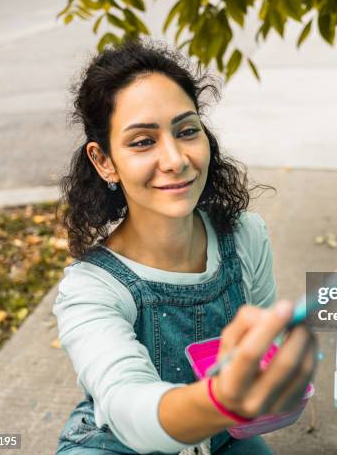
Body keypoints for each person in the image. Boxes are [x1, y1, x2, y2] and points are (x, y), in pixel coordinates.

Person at [52, 39, 317, 455]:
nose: (175, 159)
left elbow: (266, 349)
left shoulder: (246, 236)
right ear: (104, 161)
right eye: (143, 141)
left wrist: (273, 374)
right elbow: (127, 408)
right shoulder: (89, 289)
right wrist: (220, 399)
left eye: (187, 130)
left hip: (223, 435)